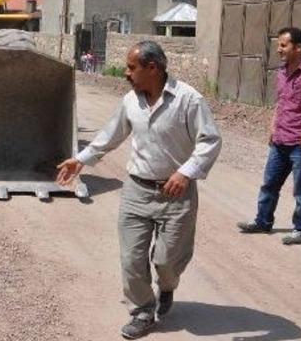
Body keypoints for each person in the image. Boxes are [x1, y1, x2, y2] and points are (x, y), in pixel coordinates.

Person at [56, 40, 222, 339]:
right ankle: (143, 311)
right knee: (132, 259)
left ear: (153, 68)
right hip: (137, 191)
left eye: (131, 67)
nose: (126, 73)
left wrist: (185, 173)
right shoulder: (131, 101)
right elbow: (111, 135)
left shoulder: (189, 100)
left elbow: (210, 140)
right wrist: (80, 160)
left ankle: (167, 287)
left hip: (176, 194)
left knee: (167, 262)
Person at [238, 27, 301, 245]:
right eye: (278, 45)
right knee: (269, 184)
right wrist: (273, 127)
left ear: (298, 47)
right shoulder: (282, 72)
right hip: (280, 139)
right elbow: (281, 102)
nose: (279, 49)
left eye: (283, 45)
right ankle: (263, 221)